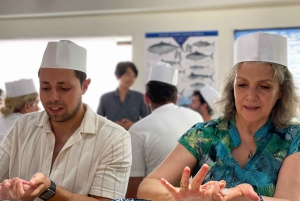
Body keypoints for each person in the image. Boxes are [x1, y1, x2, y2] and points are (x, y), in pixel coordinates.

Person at [137, 32, 300, 201]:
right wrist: (185, 197)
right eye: (242, 85)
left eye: (264, 87)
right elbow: (148, 186)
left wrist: (243, 198)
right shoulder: (205, 134)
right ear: (232, 87)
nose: (251, 96)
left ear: (281, 91)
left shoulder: (293, 138)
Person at [0, 40, 131, 201]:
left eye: (64, 88)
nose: (53, 97)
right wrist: (5, 190)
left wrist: (50, 190)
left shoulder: (114, 138)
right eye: (45, 88)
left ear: (85, 86)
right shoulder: (22, 126)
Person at [126, 62, 203, 198]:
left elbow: (134, 189)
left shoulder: (137, 130)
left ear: (146, 97)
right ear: (175, 98)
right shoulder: (196, 118)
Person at [97, 61, 149, 130]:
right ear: (118, 76)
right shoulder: (105, 98)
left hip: (133, 137)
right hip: (111, 138)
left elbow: (148, 121)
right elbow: (97, 123)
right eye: (128, 75)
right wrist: (112, 125)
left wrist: (133, 125)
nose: (131, 79)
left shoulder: (140, 97)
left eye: (134, 76)